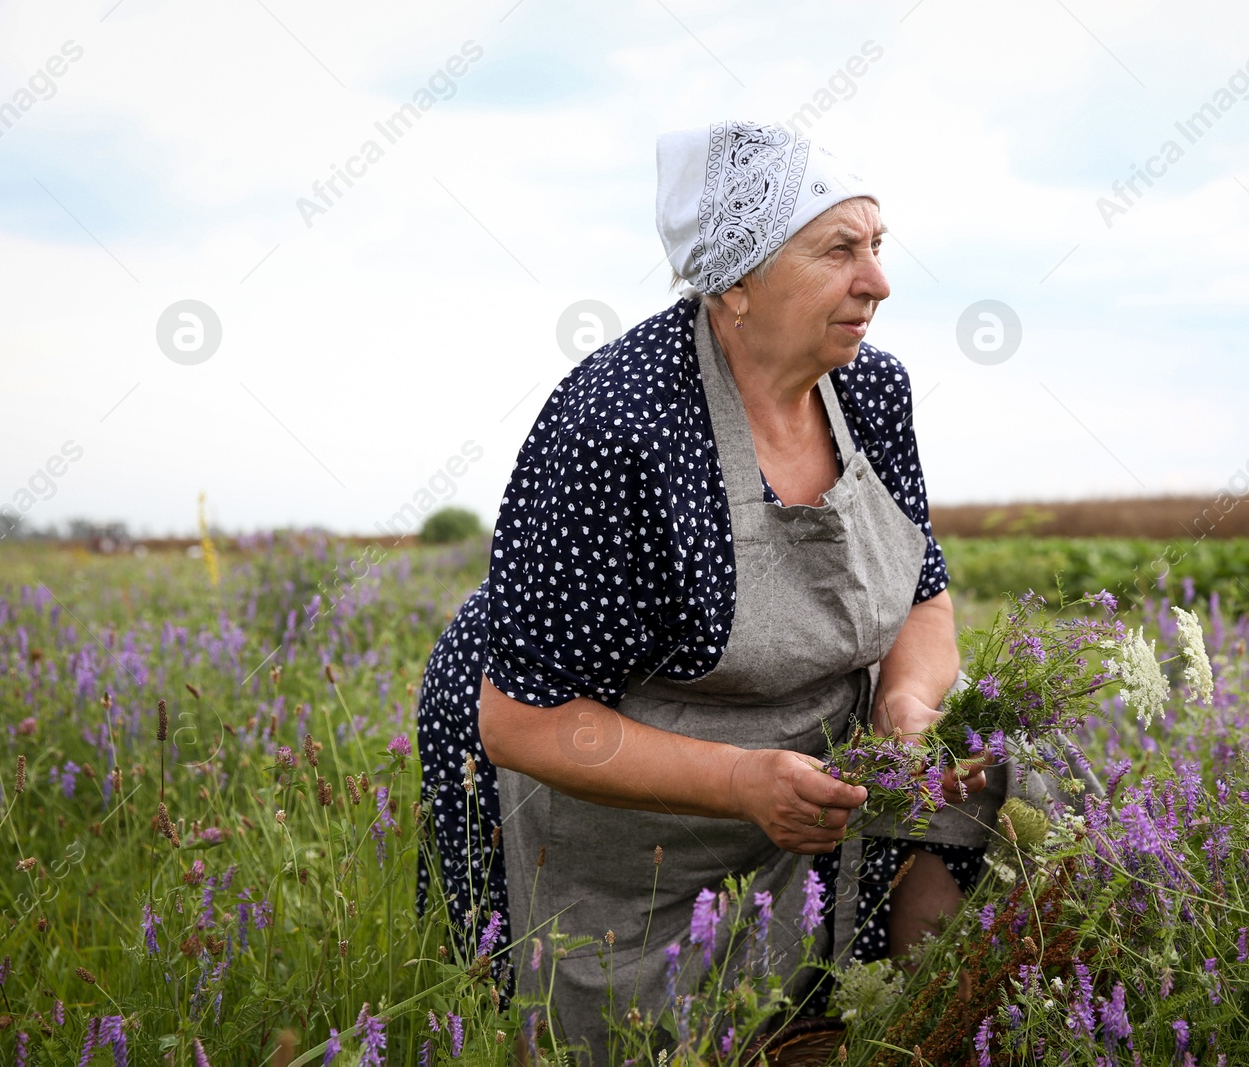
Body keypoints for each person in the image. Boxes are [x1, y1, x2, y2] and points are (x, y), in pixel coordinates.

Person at [415, 119, 1004, 1061]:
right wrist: (742, 780)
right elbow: (523, 721)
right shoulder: (621, 428)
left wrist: (905, 701)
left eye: (878, 248)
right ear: (736, 282)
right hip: (631, 818)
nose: (879, 283)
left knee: (991, 782)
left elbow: (922, 595)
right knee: (625, 1034)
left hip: (808, 784)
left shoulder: (872, 394)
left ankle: (904, 1034)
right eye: (839, 251)